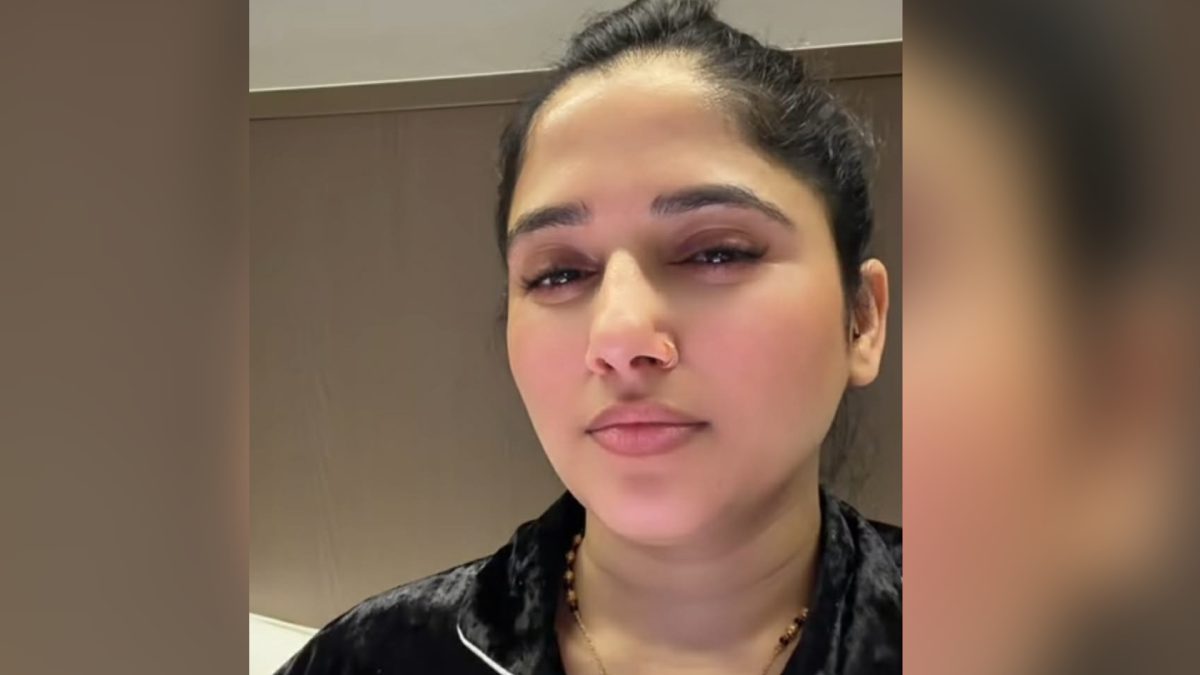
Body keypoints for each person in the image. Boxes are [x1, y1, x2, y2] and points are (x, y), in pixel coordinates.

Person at [276, 1, 898, 673]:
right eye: (560, 273)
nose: (620, 336)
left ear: (861, 319)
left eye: (716, 253)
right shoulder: (366, 660)